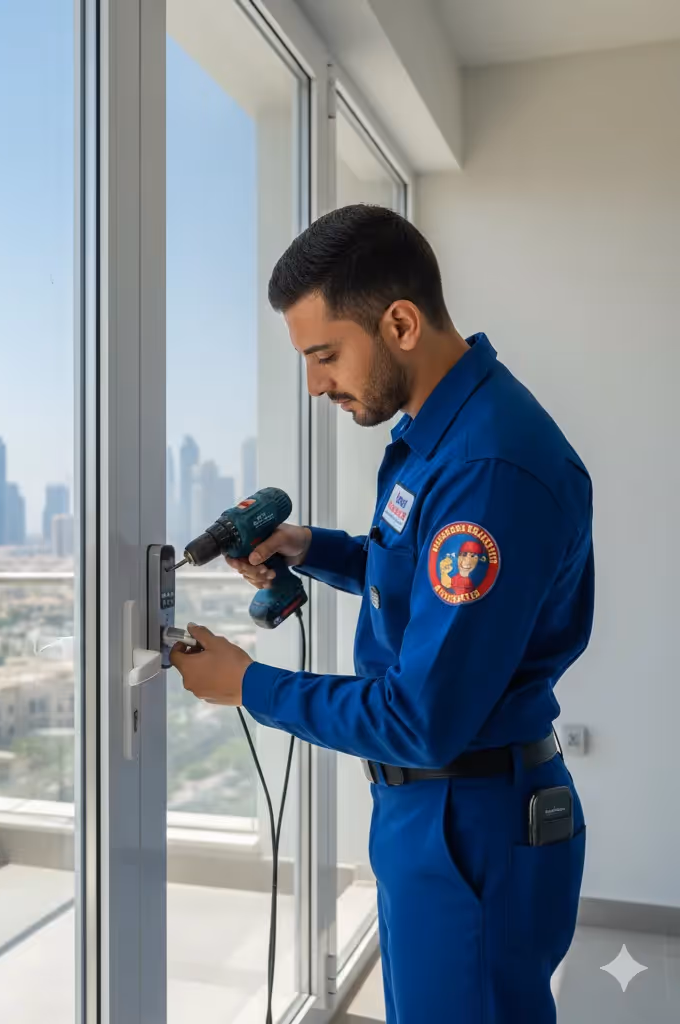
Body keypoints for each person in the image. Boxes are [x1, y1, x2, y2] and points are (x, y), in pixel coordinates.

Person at [169, 204, 593, 1024]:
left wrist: (247, 685)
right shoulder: (441, 436)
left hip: (469, 822)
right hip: (434, 811)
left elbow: (419, 719)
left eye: (325, 355)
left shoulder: (488, 466)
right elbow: (417, 575)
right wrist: (308, 546)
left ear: (399, 323)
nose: (314, 385)